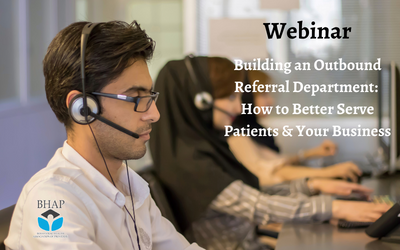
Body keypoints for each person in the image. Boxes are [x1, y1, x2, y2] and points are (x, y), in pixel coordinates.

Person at [150, 56, 390, 250]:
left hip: (253, 241)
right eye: (231, 97)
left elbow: (253, 191)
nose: (238, 106)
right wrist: (334, 207)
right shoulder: (191, 164)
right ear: (200, 101)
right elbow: (258, 205)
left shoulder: (207, 147)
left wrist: (312, 186)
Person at [5, 21, 203, 250]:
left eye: (150, 97)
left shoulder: (130, 185)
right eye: (136, 99)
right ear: (83, 108)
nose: (154, 114)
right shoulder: (53, 200)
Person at [229, 70, 362, 185]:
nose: (271, 101)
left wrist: (313, 153)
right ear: (247, 98)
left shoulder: (251, 128)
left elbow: (274, 161)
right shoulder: (236, 136)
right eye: (264, 95)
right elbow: (269, 171)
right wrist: (328, 172)